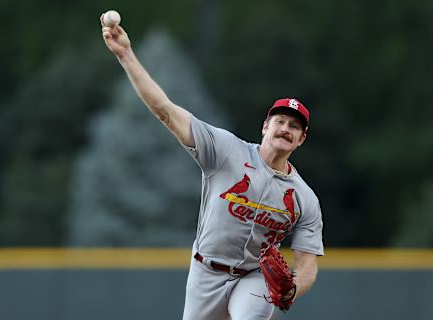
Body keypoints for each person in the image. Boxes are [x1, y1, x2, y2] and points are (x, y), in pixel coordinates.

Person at [100, 14, 324, 320]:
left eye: (295, 126)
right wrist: (125, 54)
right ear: (265, 127)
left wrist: (294, 287)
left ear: (302, 138)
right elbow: (166, 111)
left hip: (255, 277)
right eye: (280, 121)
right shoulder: (226, 151)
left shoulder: (304, 198)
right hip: (206, 271)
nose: (286, 128)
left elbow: (308, 264)